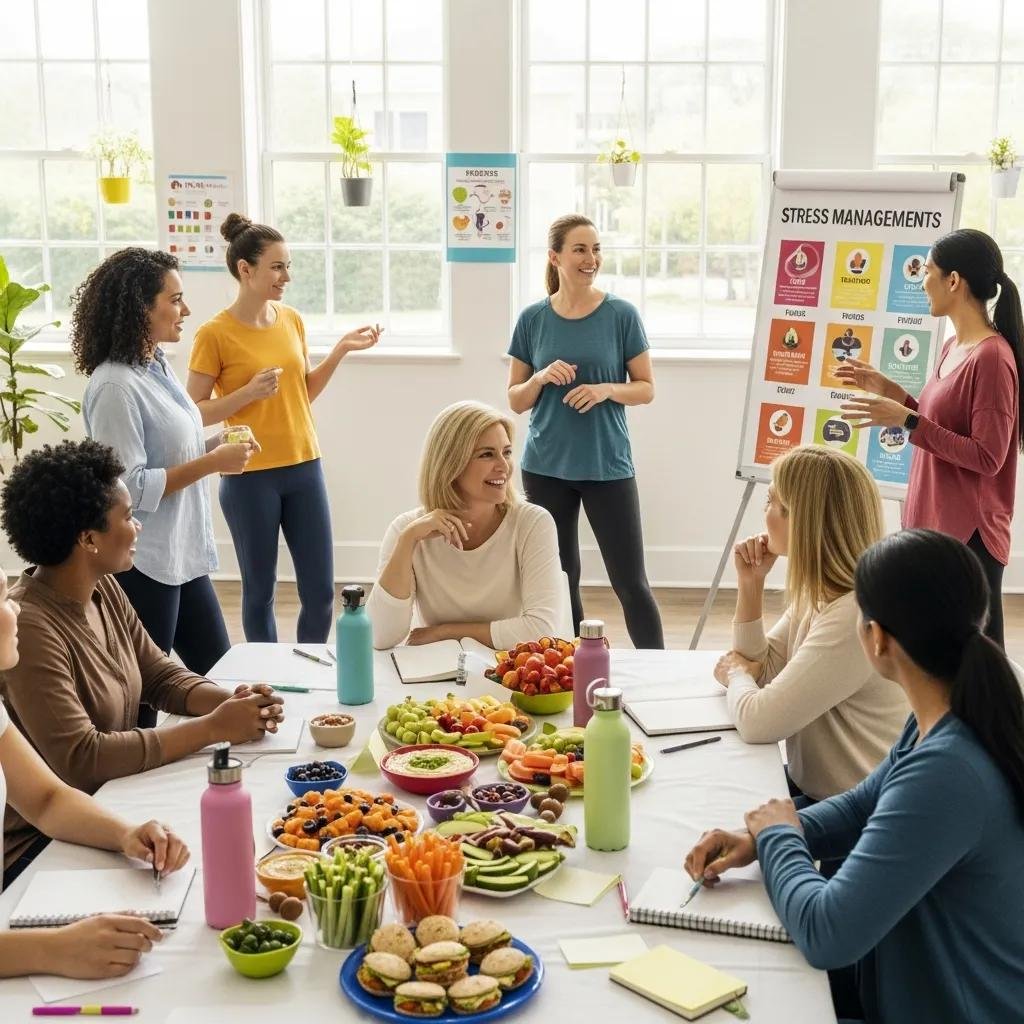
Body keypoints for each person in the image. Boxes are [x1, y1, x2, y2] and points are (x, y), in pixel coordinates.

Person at [685, 529, 1024, 1022]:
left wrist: (779, 836)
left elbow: (827, 934)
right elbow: (864, 804)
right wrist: (756, 837)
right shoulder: (945, 716)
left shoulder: (949, 772)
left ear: (877, 638)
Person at [0, 440, 284, 877]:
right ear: (88, 539)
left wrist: (232, 703)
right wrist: (212, 728)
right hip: (44, 848)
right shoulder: (32, 629)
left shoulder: (102, 587)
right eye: (128, 516)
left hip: (115, 803)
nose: (138, 527)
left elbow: (157, 674)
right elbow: (83, 760)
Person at [71, 248, 257, 728]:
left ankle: (238, 763)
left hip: (183, 556)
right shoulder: (114, 387)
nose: (185, 310)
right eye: (175, 300)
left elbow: (176, 449)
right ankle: (130, 775)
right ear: (140, 308)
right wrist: (212, 463)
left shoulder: (155, 365)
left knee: (220, 679)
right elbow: (128, 486)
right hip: (145, 562)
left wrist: (218, 445)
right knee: (140, 705)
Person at [186, 213, 382, 643]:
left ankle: (308, 670)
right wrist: (246, 394)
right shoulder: (213, 334)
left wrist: (341, 350)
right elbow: (193, 412)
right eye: (277, 267)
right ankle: (269, 678)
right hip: (249, 476)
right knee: (260, 593)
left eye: (287, 266)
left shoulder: (291, 319)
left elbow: (302, 392)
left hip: (304, 466)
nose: (286, 277)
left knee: (321, 594)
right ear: (245, 269)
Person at [0, 558, 190, 975]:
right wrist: (51, 950)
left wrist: (125, 834)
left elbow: (47, 800)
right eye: (1, 598)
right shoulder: (34, 620)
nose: (14, 604)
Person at [837, 228, 1023, 647]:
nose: (921, 282)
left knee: (975, 660)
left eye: (927, 271)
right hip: (936, 525)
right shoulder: (954, 345)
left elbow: (988, 456)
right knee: (935, 653)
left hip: (969, 535)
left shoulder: (992, 359)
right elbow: (939, 423)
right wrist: (893, 394)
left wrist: (907, 420)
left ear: (953, 281)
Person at [715, 446, 907, 802]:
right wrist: (751, 583)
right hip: (822, 790)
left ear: (803, 520)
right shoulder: (820, 593)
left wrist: (735, 674)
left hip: (855, 809)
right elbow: (763, 669)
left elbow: (759, 721)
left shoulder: (854, 616)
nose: (765, 513)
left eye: (772, 502)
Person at [507, 213, 663, 648]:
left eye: (595, 249)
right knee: (562, 579)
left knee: (630, 582)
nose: (590, 258)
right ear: (555, 257)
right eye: (580, 249)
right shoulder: (533, 319)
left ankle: (661, 668)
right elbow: (515, 399)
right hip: (545, 467)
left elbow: (646, 388)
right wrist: (540, 378)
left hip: (606, 464)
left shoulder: (621, 315)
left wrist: (605, 389)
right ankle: (574, 666)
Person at [366, 401, 568, 650]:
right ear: (451, 463)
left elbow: (541, 630)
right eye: (487, 454)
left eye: (506, 452)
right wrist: (407, 541)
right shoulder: (407, 529)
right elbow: (379, 636)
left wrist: (444, 633)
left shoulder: (532, 523)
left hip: (506, 668)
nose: (504, 466)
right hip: (439, 668)